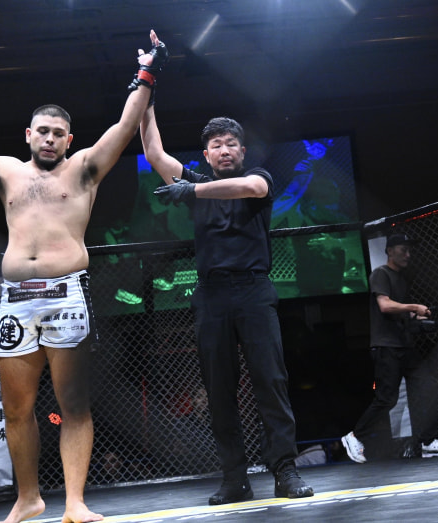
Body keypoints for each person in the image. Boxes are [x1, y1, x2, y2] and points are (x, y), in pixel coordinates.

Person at [0, 30, 168, 523]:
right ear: (28, 135)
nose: (50, 138)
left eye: (58, 132)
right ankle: (28, 498)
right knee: (17, 410)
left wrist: (146, 72)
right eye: (42, 131)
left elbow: (126, 125)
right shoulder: (6, 172)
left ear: (69, 140)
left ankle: (75, 503)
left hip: (66, 295)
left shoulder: (84, 169)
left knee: (73, 403)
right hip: (17, 300)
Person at [142, 106, 314, 504]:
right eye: (216, 145)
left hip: (254, 290)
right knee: (219, 390)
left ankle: (285, 471)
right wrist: (146, 99)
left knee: (271, 381)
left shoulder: (259, 177)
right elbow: (154, 154)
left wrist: (191, 190)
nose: (224, 150)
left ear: (242, 151)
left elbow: (251, 189)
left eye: (231, 144)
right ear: (206, 155)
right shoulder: (197, 184)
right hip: (212, 294)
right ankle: (234, 478)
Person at [341, 233, 438, 463]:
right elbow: (385, 306)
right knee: (387, 399)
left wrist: (426, 318)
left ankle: (426, 441)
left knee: (425, 387)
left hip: (404, 345)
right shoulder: (380, 274)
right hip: (386, 346)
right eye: (403, 250)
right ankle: (354, 436)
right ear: (390, 251)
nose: (408, 255)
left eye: (409, 251)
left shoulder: (402, 279)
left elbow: (404, 314)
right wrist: (413, 307)